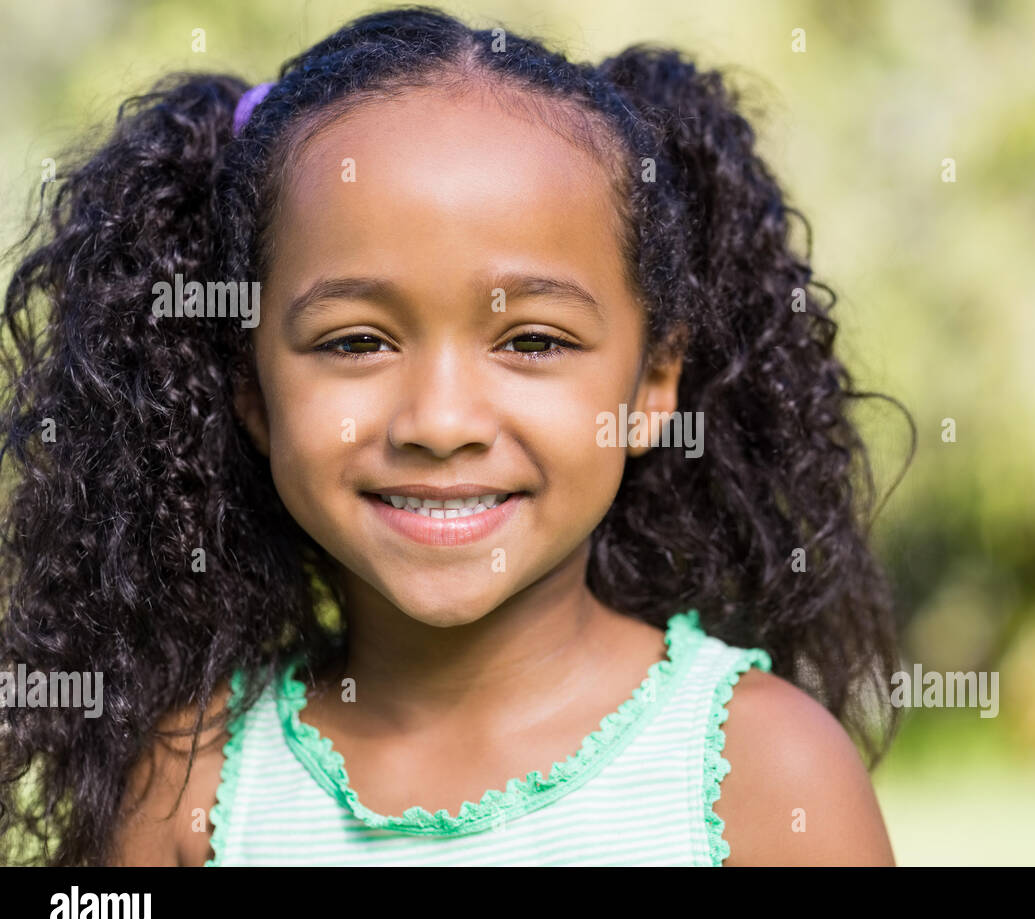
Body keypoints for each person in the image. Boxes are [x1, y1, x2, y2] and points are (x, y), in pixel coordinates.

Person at [0, 5, 913, 866]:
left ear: (652, 386)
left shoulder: (769, 774)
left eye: (532, 342)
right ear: (253, 389)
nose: (439, 423)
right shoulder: (185, 789)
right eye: (355, 341)